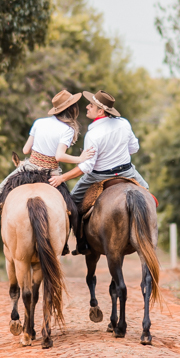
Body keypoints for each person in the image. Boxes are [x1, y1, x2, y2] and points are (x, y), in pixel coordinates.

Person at [0, 90, 94, 244]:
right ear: (71, 109)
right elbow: (59, 156)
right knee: (72, 209)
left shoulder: (39, 122)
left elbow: (25, 150)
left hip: (28, 168)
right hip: (51, 172)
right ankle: (74, 244)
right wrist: (80, 158)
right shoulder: (67, 130)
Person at [49, 90, 149, 250]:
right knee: (148, 196)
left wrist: (62, 178)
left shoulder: (93, 134)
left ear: (100, 111)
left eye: (91, 105)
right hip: (128, 172)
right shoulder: (124, 123)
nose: (87, 107)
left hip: (98, 176)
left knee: (72, 204)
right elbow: (134, 148)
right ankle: (148, 235)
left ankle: (79, 244)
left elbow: (86, 167)